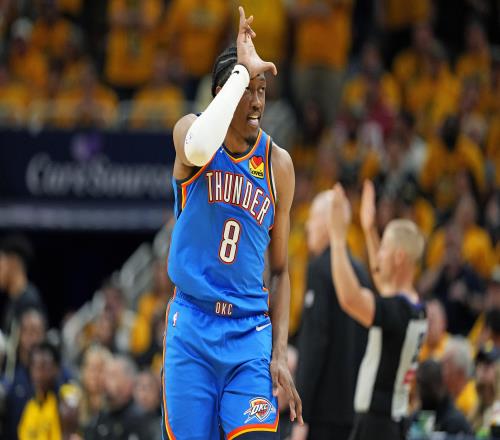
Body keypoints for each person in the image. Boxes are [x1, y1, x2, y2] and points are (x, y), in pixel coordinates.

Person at [165, 6, 302, 439]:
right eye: (248, 90)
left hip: (248, 332)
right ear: (223, 92)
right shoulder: (190, 132)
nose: (258, 101)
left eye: (262, 90)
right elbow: (199, 146)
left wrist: (279, 352)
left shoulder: (278, 164)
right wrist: (241, 70)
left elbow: (280, 271)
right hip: (192, 326)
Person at [327, 180, 427, 440]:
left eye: (384, 248)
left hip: (377, 425)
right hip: (391, 422)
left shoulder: (397, 311)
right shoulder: (415, 307)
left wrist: (337, 238)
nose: (378, 255)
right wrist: (369, 228)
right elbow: (384, 282)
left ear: (399, 257)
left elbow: (350, 299)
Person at [292, 191, 370, 440]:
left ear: (328, 222)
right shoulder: (360, 271)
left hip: (323, 413)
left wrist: (301, 411)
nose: (308, 226)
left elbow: (314, 343)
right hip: (354, 411)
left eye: (313, 218)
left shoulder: (319, 270)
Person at [410, 359, 472, 437]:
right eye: (422, 386)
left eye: (429, 386)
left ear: (442, 383)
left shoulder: (455, 421)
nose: (424, 392)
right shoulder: (420, 416)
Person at [0, 234, 45, 336]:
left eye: (0, 265)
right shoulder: (13, 300)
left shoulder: (29, 301)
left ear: (13, 263)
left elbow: (32, 343)